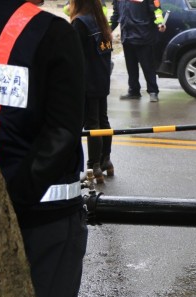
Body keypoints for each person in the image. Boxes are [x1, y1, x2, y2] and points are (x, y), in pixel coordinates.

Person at [0, 0, 87, 297]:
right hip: (42, 221)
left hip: (17, 208)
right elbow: (63, 130)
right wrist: (13, 199)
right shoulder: (52, 32)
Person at [70, 0, 114, 184]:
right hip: (101, 78)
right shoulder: (99, 19)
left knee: (92, 124)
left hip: (87, 81)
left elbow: (74, 56)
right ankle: (106, 161)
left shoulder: (80, 23)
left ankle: (93, 165)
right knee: (102, 120)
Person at [110, 0, 165, 102]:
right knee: (131, 67)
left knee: (148, 66)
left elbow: (156, 10)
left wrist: (160, 23)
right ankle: (134, 91)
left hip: (143, 35)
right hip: (127, 36)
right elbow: (116, 14)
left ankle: (153, 91)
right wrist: (108, 29)